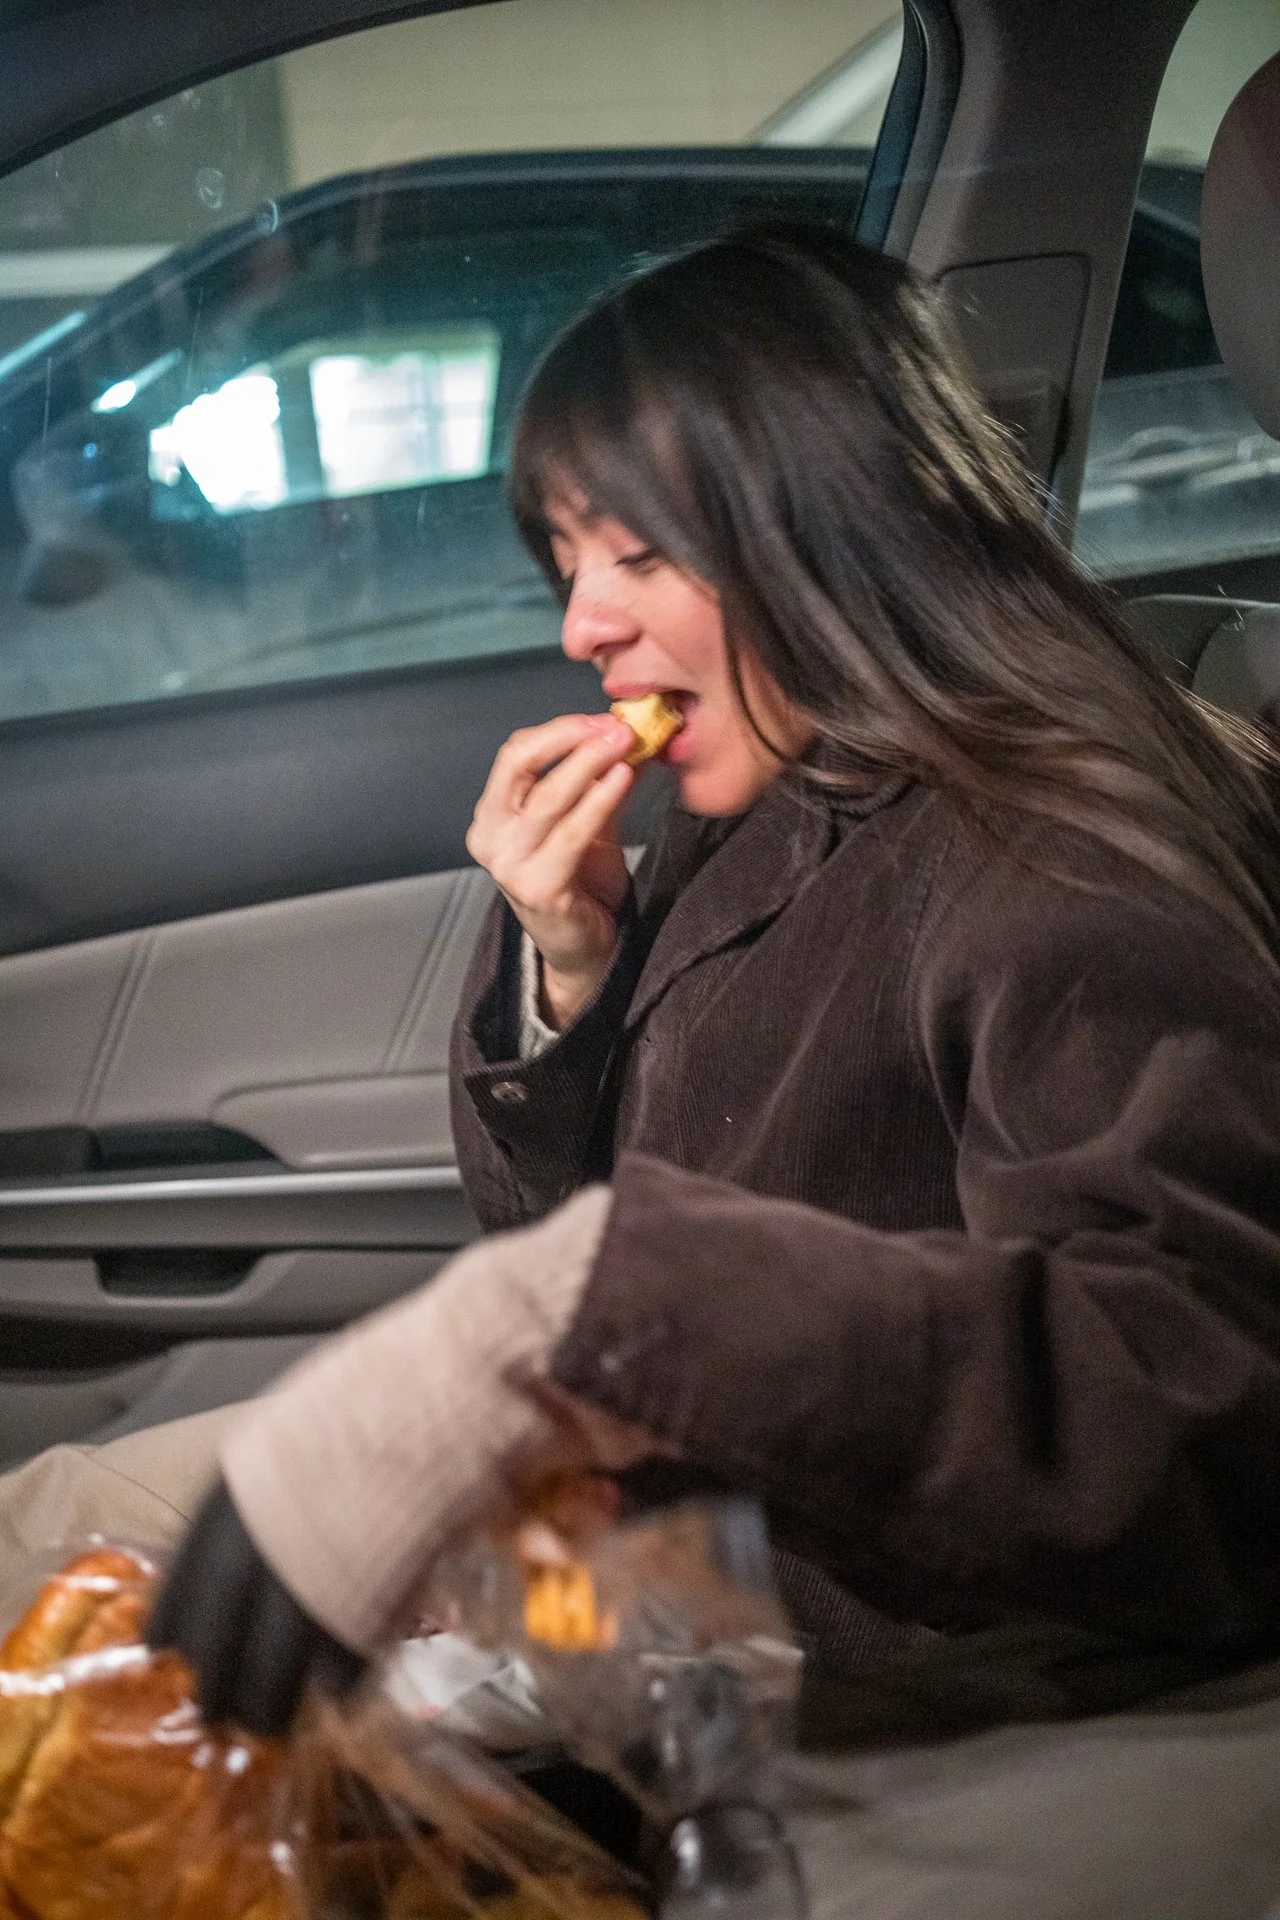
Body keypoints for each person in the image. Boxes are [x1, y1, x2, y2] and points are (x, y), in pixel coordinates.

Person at [137, 227, 1280, 1755]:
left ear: (843, 522)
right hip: (645, 1536)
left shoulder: (1062, 857)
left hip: (808, 1642)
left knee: (150, 1691)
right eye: (566, 564)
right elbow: (567, 1232)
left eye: (638, 554)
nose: (579, 628)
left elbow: (1189, 1411)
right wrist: (573, 970)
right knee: (79, 1557)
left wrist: (599, 1324)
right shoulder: (760, 786)